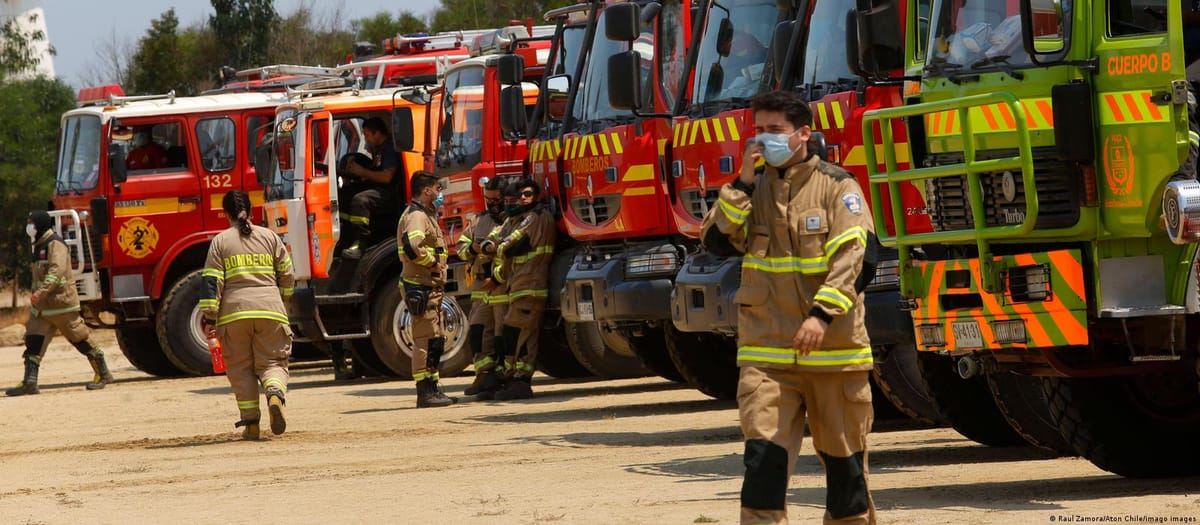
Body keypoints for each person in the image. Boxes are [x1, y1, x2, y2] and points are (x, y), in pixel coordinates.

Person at [700, 90, 878, 525]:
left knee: (845, 474)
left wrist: (820, 316)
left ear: (803, 134)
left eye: (774, 131)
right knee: (762, 465)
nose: (764, 140)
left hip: (834, 354)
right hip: (767, 356)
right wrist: (741, 182)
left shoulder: (839, 187)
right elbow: (716, 241)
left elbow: (857, 261)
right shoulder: (750, 189)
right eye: (757, 131)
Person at [200, 190, 295, 440]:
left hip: (234, 316)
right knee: (273, 363)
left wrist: (210, 318)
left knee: (241, 369)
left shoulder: (220, 242)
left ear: (226, 214)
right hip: (271, 311)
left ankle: (252, 424)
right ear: (252, 211)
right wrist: (282, 301)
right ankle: (275, 394)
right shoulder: (271, 237)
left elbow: (212, 284)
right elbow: (287, 275)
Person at [6, 210, 114, 396]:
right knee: (33, 340)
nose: (28, 226)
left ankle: (103, 374)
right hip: (42, 308)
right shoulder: (39, 244)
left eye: (31, 222)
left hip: (61, 304)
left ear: (39, 224)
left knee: (79, 338)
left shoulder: (55, 243)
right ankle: (30, 383)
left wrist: (41, 291)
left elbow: (55, 272)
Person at [487, 178, 556, 400]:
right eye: (520, 196)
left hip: (531, 285)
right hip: (518, 285)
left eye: (527, 194)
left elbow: (508, 245)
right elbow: (495, 239)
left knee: (521, 333)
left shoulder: (535, 218)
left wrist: (494, 246)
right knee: (512, 332)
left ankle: (521, 379)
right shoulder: (518, 218)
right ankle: (513, 377)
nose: (522, 199)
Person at [398, 171, 456, 408]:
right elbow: (413, 247)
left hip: (429, 285)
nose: (440, 194)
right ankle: (425, 392)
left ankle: (432, 387)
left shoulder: (426, 214)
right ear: (426, 191)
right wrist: (433, 262)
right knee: (424, 339)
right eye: (437, 189)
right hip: (419, 285)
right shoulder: (416, 216)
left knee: (435, 339)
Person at [459, 176, 508, 397]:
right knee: (477, 331)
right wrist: (473, 248)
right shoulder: (479, 221)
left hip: (502, 286)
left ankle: (501, 378)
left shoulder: (513, 222)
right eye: (488, 199)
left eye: (496, 199)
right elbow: (461, 246)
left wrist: (496, 278)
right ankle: (483, 374)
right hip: (480, 286)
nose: (492, 204)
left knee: (501, 335)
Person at [340, 117, 400, 258]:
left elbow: (387, 177)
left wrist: (362, 171)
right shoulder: (377, 148)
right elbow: (376, 169)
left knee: (360, 200)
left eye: (367, 135)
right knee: (344, 195)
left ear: (377, 133)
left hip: (389, 192)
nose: (365, 139)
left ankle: (361, 243)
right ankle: (346, 236)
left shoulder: (389, 147)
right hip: (378, 187)